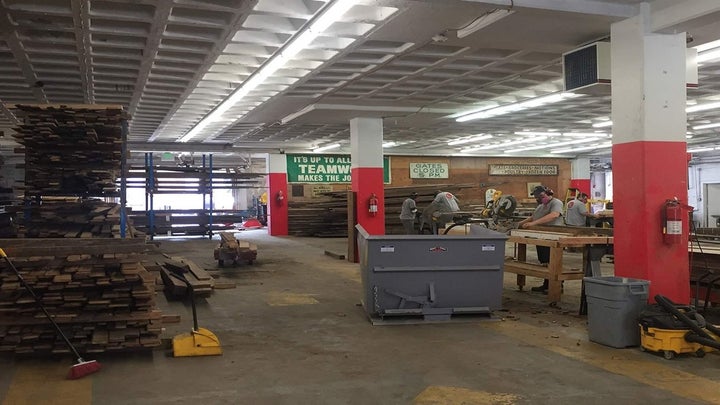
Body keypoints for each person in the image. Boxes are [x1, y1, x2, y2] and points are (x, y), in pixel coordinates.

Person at [517, 185, 564, 293]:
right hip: (541, 236)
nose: (539, 199)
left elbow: (554, 215)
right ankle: (546, 284)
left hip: (553, 236)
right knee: (544, 261)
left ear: (548, 193)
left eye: (541, 196)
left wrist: (533, 223)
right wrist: (518, 224)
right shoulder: (541, 206)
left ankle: (558, 286)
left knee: (553, 261)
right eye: (537, 197)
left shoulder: (556, 203)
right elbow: (533, 217)